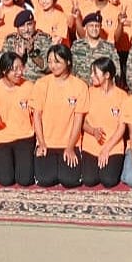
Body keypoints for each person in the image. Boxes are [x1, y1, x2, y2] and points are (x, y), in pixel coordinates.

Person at [31, 45, 87, 187]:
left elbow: (78, 120)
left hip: (68, 142)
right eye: (49, 61)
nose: (52, 66)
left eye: (57, 62)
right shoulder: (41, 84)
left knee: (69, 181)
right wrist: (41, 142)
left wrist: (70, 147)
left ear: (68, 62)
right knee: (45, 180)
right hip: (47, 143)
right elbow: (36, 116)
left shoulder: (80, 86)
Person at [0, 52, 36, 186]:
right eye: (15, 69)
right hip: (2, 137)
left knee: (25, 180)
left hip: (25, 136)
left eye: (21, 68)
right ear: (4, 70)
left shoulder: (29, 87)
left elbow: (36, 115)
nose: (19, 72)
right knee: (5, 180)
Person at [81, 58, 126, 187]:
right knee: (89, 180)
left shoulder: (122, 96)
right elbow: (82, 122)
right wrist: (93, 131)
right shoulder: (89, 93)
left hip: (113, 146)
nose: (91, 76)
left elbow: (121, 127)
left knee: (109, 180)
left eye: (95, 73)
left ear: (107, 75)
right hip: (91, 145)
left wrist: (106, 149)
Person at [1, 9, 53, 83]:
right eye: (22, 26)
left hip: (38, 83)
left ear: (34, 24)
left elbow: (48, 67)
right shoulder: (11, 40)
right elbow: (2, 66)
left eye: (29, 24)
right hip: (16, 84)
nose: (26, 29)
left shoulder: (44, 39)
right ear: (17, 28)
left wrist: (33, 53)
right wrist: (17, 57)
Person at [70, 12, 121, 87]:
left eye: (97, 26)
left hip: (101, 90)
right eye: (91, 26)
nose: (94, 29)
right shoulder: (77, 46)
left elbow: (116, 71)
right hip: (80, 88)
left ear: (100, 27)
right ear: (85, 27)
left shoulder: (109, 48)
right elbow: (71, 68)